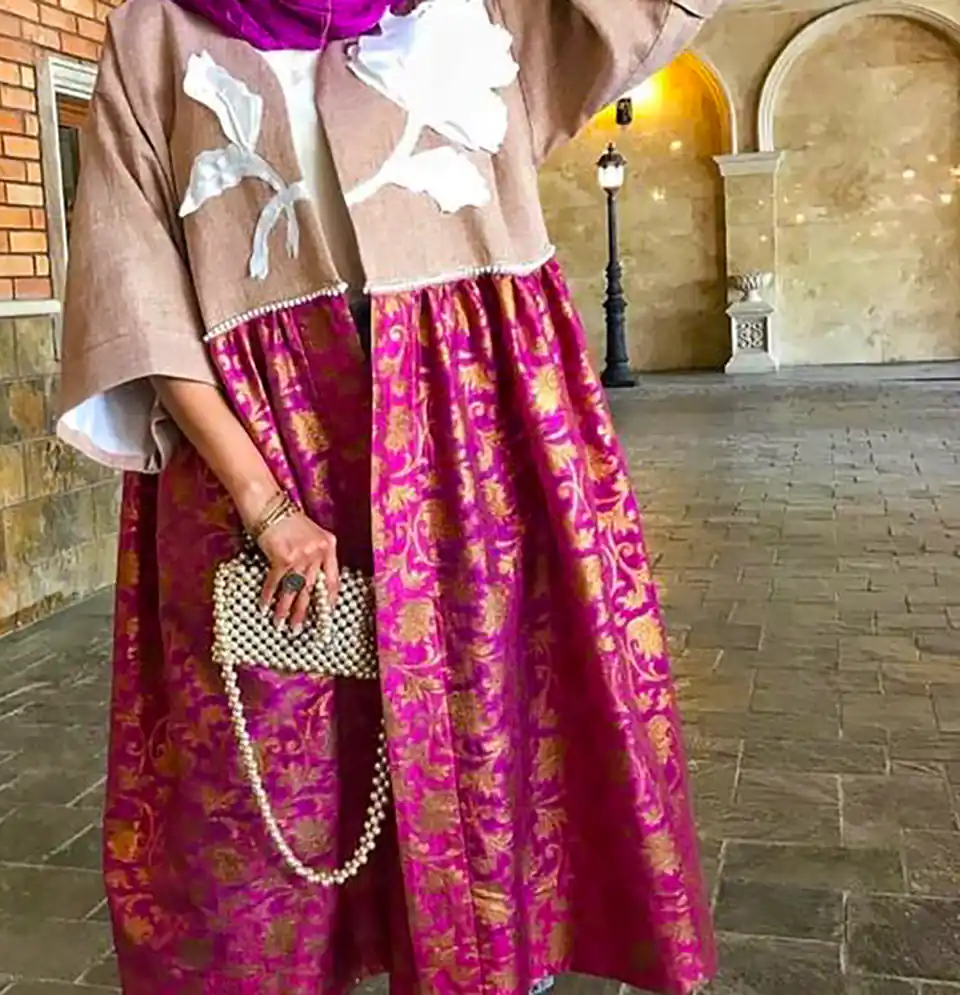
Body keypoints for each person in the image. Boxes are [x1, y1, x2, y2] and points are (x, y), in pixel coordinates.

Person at [57, 1, 720, 992]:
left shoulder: (481, 8)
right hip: (260, 452)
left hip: (477, 445)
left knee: (490, 743)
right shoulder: (155, 29)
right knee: (262, 796)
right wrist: (265, 502)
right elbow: (134, 292)